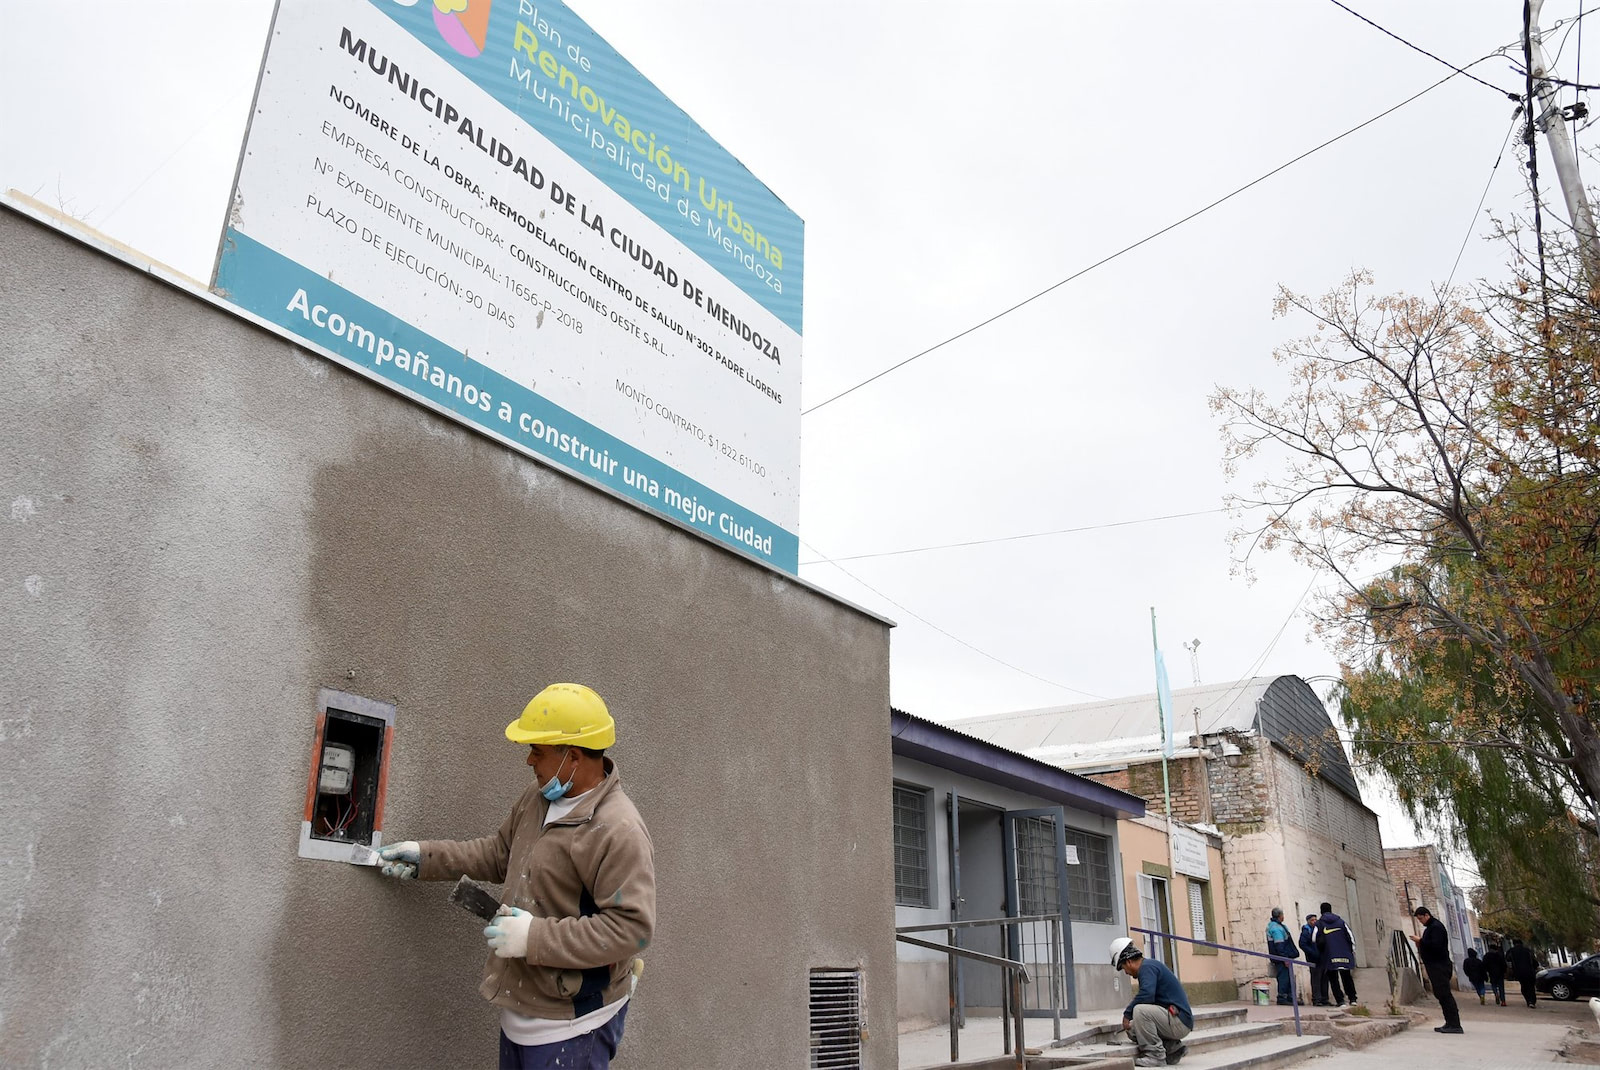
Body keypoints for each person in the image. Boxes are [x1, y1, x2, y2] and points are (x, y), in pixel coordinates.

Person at [377, 683, 656, 1070]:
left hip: (574, 1027)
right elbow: (499, 855)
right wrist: (426, 858)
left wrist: (533, 937)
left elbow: (631, 930)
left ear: (572, 757)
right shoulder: (540, 797)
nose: (529, 761)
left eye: (537, 751)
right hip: (523, 1011)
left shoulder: (617, 830)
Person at [1112, 936, 1193, 1067]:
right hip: (1177, 1020)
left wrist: (1127, 1014)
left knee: (1140, 1011)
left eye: (1123, 968)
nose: (1126, 973)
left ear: (1128, 962)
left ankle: (1155, 1055)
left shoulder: (1147, 968)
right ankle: (1172, 1048)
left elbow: (1146, 996)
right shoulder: (1149, 966)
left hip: (1179, 1021)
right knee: (1134, 1030)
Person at [1411, 906, 1463, 1034]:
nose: (1420, 921)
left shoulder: (1436, 927)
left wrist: (1421, 941)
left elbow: (1436, 946)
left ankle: (1455, 1024)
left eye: (1421, 918)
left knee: (1444, 994)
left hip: (1439, 966)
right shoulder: (1431, 928)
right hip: (1435, 966)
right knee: (1440, 994)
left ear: (1427, 915)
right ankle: (1449, 1022)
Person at [1315, 902, 1358, 1007]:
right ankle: (1352, 999)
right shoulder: (1341, 922)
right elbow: (1351, 938)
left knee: (1333, 979)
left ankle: (1340, 1000)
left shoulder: (1320, 924)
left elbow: (1314, 938)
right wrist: (1351, 952)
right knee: (1347, 977)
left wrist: (1320, 952)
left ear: (1321, 911)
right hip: (1344, 955)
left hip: (1329, 955)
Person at [1265, 907, 1299, 1005]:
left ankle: (1290, 997)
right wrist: (1285, 958)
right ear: (1280, 916)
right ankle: (1282, 997)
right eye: (1282, 915)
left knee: (1288, 977)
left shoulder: (1277, 926)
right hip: (1281, 958)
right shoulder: (1276, 928)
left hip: (1283, 956)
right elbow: (1279, 945)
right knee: (1284, 977)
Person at [1300, 913, 1328, 1007]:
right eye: (1312, 920)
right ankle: (1317, 999)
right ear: (1308, 921)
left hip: (1322, 958)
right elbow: (1302, 944)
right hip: (1313, 959)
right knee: (1316, 979)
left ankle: (1324, 998)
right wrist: (1313, 953)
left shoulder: (1318, 930)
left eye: (1315, 920)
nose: (1314, 922)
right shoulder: (1306, 931)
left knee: (1324, 978)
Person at [1508, 938, 1539, 1008]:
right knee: (1531, 987)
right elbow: (1534, 961)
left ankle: (1528, 1000)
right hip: (1530, 971)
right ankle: (1532, 1001)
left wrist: (1511, 972)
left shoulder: (1511, 951)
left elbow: (1508, 960)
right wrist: (1535, 967)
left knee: (1524, 986)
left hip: (1519, 973)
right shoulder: (1527, 950)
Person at [1482, 942, 1508, 1006]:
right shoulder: (1499, 955)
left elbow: (1484, 965)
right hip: (1500, 973)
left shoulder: (1487, 955)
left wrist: (1486, 971)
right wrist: (1504, 971)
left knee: (1493, 985)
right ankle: (1503, 1001)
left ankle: (1496, 993)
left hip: (1492, 973)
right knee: (1501, 987)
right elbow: (1504, 964)